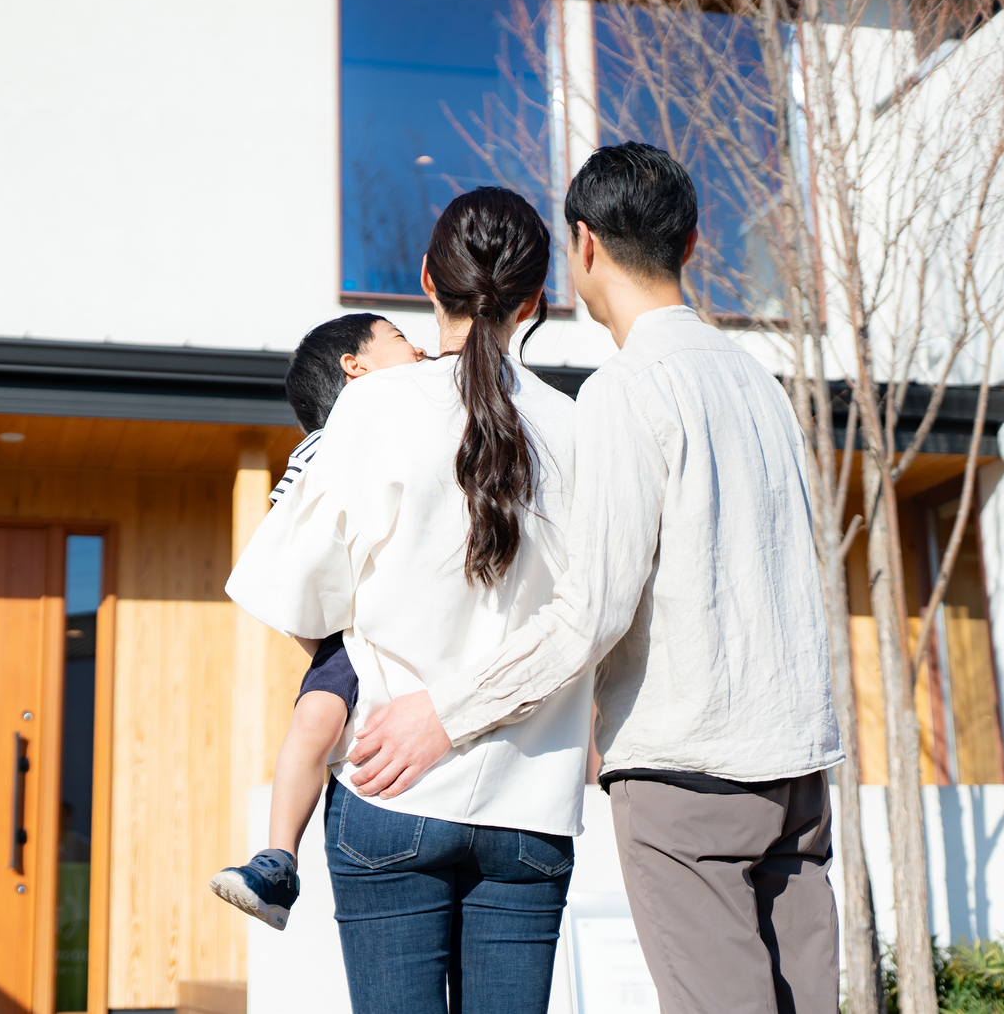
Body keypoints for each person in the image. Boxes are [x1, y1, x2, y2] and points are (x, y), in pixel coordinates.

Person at [348, 143, 845, 1014]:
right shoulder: (762, 383)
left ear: (582, 247)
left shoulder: (626, 388)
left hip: (689, 775)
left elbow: (589, 615)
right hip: (797, 771)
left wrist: (443, 714)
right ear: (691, 246)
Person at [226, 187, 589, 1014]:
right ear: (535, 300)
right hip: (531, 806)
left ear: (428, 279)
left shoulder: (370, 408)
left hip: (390, 788)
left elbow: (297, 596)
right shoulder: (575, 427)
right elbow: (592, 619)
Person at [210, 312, 425, 928]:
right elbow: (285, 554)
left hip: (385, 619)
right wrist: (326, 643)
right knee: (315, 721)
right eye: (398, 339)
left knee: (319, 723)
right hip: (348, 626)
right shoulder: (333, 443)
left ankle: (278, 860)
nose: (416, 347)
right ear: (355, 368)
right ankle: (278, 860)